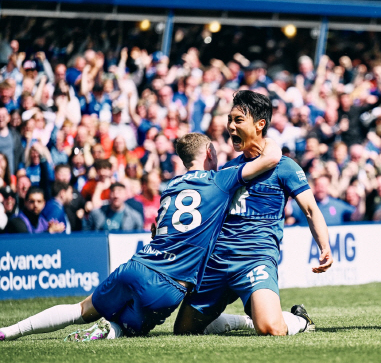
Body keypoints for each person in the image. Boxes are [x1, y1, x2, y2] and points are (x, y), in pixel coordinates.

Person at [0, 132, 281, 342]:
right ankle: (109, 330)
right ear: (208, 152)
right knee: (128, 328)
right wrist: (260, 132)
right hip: (167, 285)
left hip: (136, 266)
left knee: (81, 308)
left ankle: (9, 331)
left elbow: (157, 229)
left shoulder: (171, 186)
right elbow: (271, 158)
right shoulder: (220, 180)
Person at [174, 90, 332, 338]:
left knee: (272, 329)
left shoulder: (285, 167)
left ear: (260, 125)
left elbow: (311, 209)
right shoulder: (230, 168)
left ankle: (298, 320)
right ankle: (244, 321)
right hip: (218, 261)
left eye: (238, 120)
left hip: (255, 257)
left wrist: (325, 246)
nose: (231, 126)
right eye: (230, 120)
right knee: (184, 331)